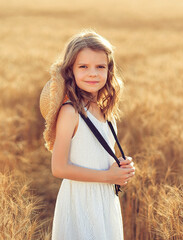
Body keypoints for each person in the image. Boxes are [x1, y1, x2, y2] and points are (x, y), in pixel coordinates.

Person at [39, 30, 136, 240]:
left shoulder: (105, 111)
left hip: (105, 199)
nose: (93, 73)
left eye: (100, 67)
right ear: (70, 71)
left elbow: (97, 154)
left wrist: (119, 168)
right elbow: (58, 168)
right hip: (81, 201)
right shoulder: (70, 112)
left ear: (109, 71)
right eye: (83, 66)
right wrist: (108, 176)